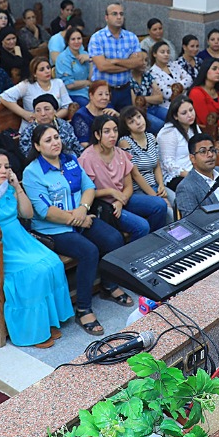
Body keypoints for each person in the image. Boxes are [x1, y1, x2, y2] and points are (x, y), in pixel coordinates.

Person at [22, 125, 132, 337]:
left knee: (114, 238)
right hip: (53, 230)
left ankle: (108, 285)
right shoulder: (32, 172)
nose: (55, 142)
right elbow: (45, 211)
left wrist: (83, 209)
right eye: (48, 140)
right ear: (37, 146)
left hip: (81, 218)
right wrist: (79, 219)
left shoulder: (70, 160)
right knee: (88, 251)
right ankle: (83, 309)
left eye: (56, 137)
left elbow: (89, 188)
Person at [0, 149, 72, 348]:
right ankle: (31, 331)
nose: (3, 171)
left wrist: (17, 187)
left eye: (6, 167)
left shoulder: (6, 188)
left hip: (19, 240)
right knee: (33, 272)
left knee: (53, 263)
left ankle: (46, 321)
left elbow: (27, 214)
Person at [80, 115, 168, 241]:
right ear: (97, 135)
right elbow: (86, 192)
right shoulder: (87, 158)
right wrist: (111, 192)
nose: (113, 135)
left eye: (115, 130)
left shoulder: (120, 153)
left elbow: (128, 186)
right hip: (105, 205)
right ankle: (138, 252)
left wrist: (121, 201)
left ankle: (155, 243)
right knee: (142, 226)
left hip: (123, 199)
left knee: (160, 205)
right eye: (107, 131)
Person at [175, 134, 219, 218]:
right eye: (203, 151)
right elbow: (191, 220)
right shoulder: (186, 187)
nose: (210, 155)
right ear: (192, 158)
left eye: (212, 150)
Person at [119, 106, 172, 206]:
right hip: (138, 190)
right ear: (127, 127)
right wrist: (156, 197)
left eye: (139, 117)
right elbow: (135, 174)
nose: (138, 122)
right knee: (165, 207)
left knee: (178, 200)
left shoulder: (151, 137)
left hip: (155, 185)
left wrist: (161, 185)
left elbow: (157, 166)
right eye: (131, 122)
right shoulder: (125, 142)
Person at [0, 56, 73, 121]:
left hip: (54, 123)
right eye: (42, 69)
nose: (47, 71)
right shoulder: (26, 85)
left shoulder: (58, 83)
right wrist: (24, 114)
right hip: (33, 125)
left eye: (48, 68)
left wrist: (51, 118)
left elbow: (67, 106)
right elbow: (4, 97)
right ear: (34, 74)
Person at [157, 95, 203, 189]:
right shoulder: (169, 133)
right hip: (176, 176)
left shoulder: (193, 127)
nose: (190, 115)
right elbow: (168, 164)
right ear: (175, 116)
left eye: (191, 110)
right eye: (184, 113)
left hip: (195, 170)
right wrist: (192, 175)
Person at [70, 80, 119, 149]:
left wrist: (118, 116)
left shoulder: (109, 110)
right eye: (100, 94)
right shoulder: (81, 116)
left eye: (107, 94)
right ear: (91, 96)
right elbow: (84, 143)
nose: (105, 97)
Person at [128, 50, 166, 133]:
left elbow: (160, 98)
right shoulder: (128, 79)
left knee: (174, 117)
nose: (144, 63)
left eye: (146, 60)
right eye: (141, 60)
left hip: (154, 107)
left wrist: (142, 99)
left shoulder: (147, 75)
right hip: (140, 113)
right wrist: (152, 98)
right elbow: (135, 104)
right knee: (161, 126)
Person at [55, 26, 93, 106]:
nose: (76, 41)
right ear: (67, 41)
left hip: (88, 92)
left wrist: (91, 60)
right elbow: (69, 85)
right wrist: (87, 83)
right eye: (73, 39)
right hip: (72, 94)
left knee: (107, 105)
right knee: (90, 107)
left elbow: (91, 78)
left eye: (79, 38)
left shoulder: (85, 54)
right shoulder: (63, 58)